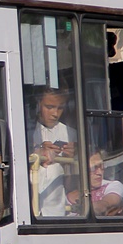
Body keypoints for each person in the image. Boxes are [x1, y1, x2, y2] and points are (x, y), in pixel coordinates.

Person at [28, 87, 78, 217]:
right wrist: (36, 151)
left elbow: (73, 185)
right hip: (26, 207)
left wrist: (71, 162)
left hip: (56, 211)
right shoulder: (26, 129)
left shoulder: (70, 134)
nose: (55, 113)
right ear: (37, 103)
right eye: (49, 107)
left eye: (60, 108)